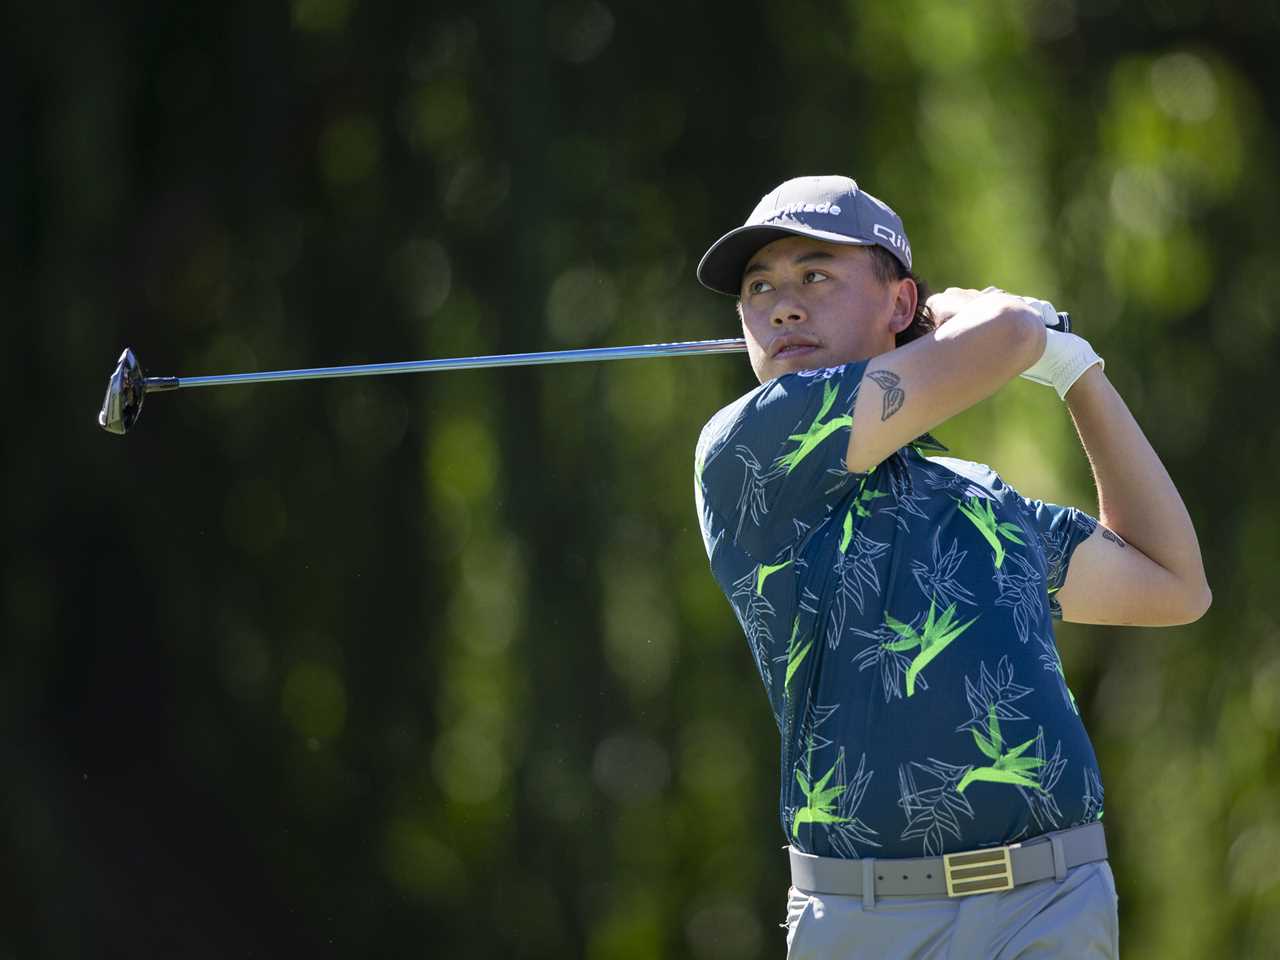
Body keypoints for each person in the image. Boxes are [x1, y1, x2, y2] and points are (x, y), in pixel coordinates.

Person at [692, 175, 1210, 958]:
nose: (781, 305)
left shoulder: (979, 498)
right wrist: (989, 322)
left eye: (815, 275)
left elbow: (1173, 585)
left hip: (1049, 906)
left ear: (899, 306)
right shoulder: (746, 449)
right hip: (860, 921)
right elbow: (1002, 339)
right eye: (758, 287)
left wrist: (1078, 373)